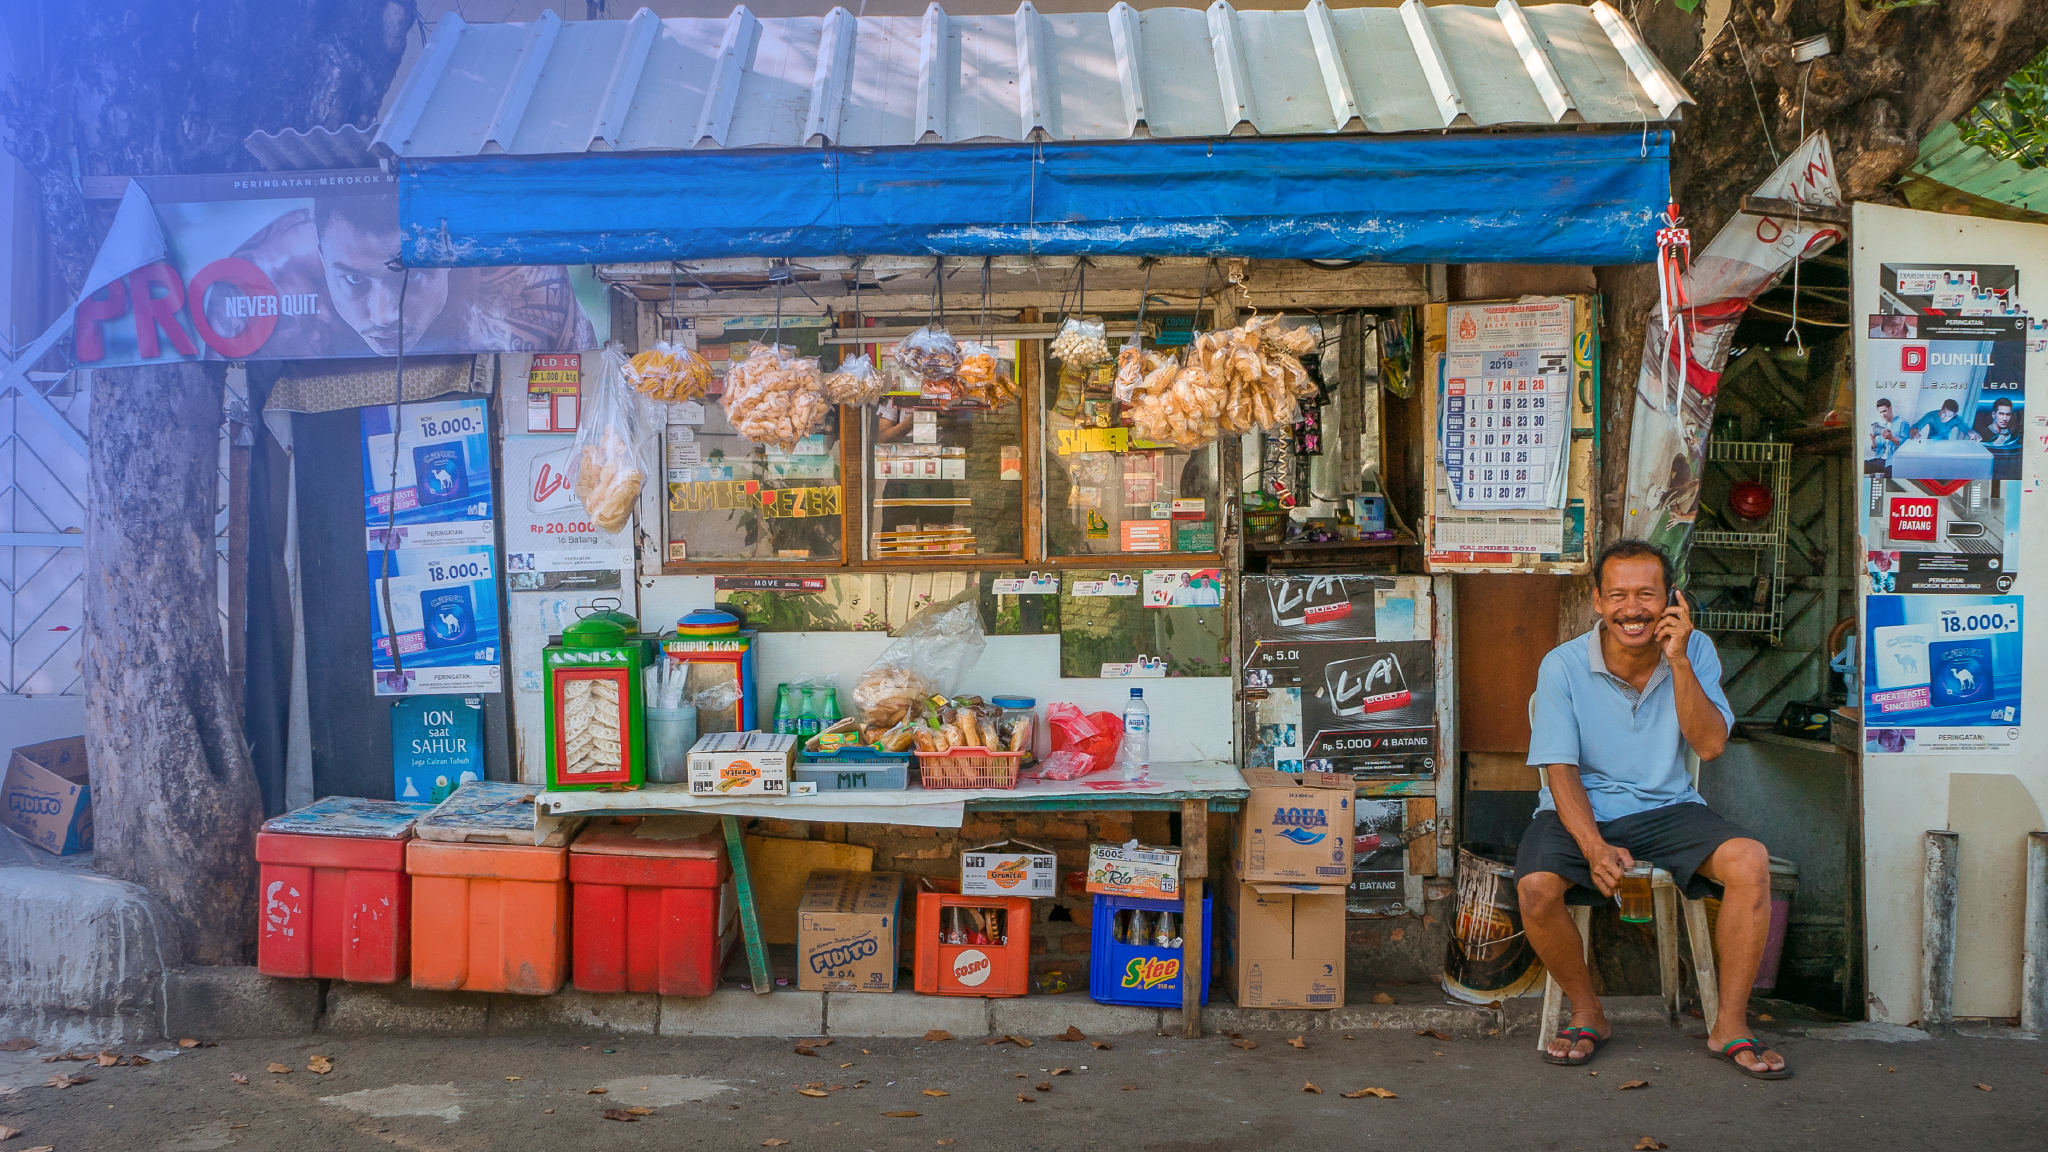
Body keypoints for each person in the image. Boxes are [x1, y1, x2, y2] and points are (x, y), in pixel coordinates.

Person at [1517, 539, 1789, 1079]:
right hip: (1580, 811)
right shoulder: (1563, 666)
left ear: (1671, 598)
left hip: (1669, 807)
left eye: (1647, 594)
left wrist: (1679, 660)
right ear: (1597, 600)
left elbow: (1709, 746)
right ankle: (1589, 1010)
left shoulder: (1696, 651)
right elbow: (1559, 769)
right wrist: (1594, 847)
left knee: (1750, 861)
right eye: (1617, 595)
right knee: (1535, 889)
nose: (1632, 609)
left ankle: (1730, 1023)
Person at [1867, 398, 1909, 472]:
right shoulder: (1881, 426)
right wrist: (1873, 440)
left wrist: (1891, 438)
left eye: (1884, 411)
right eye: (1880, 412)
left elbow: (1906, 444)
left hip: (1893, 462)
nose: (1883, 414)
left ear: (1890, 409)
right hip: (1879, 459)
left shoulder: (1902, 423)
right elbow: (1877, 448)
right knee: (1862, 467)